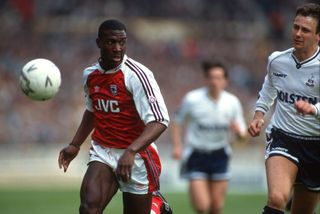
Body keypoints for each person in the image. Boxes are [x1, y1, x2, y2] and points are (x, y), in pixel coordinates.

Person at [58, 19, 170, 214]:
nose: (118, 48)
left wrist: (131, 151)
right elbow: (93, 111)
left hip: (137, 155)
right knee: (88, 208)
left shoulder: (137, 75)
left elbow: (160, 121)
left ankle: (156, 207)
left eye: (122, 42)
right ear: (99, 43)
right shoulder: (90, 75)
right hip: (104, 150)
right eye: (111, 42)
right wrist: (75, 144)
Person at [248, 3, 320, 214]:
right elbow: (267, 90)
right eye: (295, 27)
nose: (298, 33)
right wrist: (258, 115)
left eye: (305, 30)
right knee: (277, 198)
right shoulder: (277, 60)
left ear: (318, 35)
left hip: (315, 145)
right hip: (283, 137)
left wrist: (313, 109)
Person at [171, 61, 247, 214]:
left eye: (219, 78)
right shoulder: (192, 99)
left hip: (220, 155)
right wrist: (177, 146)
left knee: (216, 207)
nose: (214, 81)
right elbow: (176, 121)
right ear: (206, 79)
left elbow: (243, 137)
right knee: (202, 206)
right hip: (196, 155)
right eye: (211, 77)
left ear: (225, 81)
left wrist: (238, 132)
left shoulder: (232, 102)